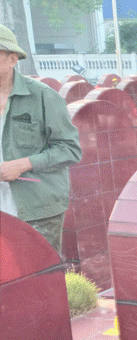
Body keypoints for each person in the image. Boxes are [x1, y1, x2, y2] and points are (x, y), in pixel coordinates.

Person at [0, 24, 81, 253]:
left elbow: (70, 149)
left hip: (37, 207)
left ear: (12, 59)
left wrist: (23, 164)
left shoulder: (43, 97)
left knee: (39, 278)